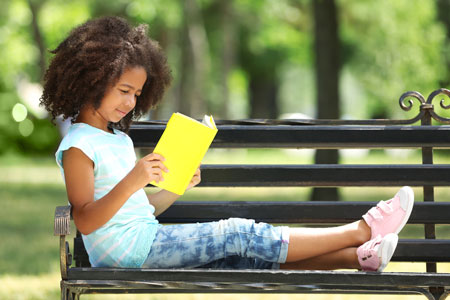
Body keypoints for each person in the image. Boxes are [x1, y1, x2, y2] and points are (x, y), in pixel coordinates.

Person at [40, 16, 415, 272]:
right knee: (237, 232)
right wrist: (134, 180)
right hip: (127, 254)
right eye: (124, 91)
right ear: (92, 79)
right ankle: (362, 230)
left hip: (143, 240)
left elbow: (140, 211)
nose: (130, 103)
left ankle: (356, 257)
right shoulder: (79, 145)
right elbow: (86, 219)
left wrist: (173, 189)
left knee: (243, 256)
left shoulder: (117, 138)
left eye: (137, 94)